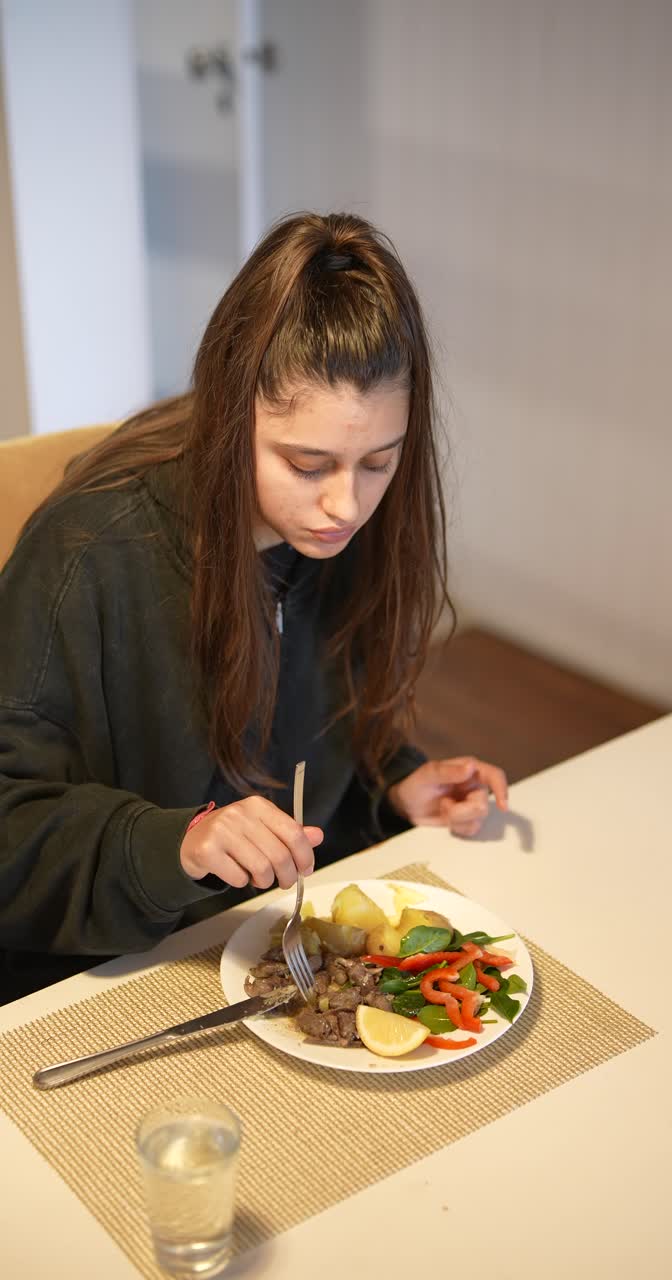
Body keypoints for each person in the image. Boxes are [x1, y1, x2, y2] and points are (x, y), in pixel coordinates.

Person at [0, 211, 507, 1001]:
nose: (345, 504)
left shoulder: (339, 533)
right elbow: (11, 834)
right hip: (105, 976)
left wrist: (391, 781)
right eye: (308, 463)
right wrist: (180, 843)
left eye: (379, 462)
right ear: (232, 413)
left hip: (267, 942)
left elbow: (301, 745)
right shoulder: (88, 553)